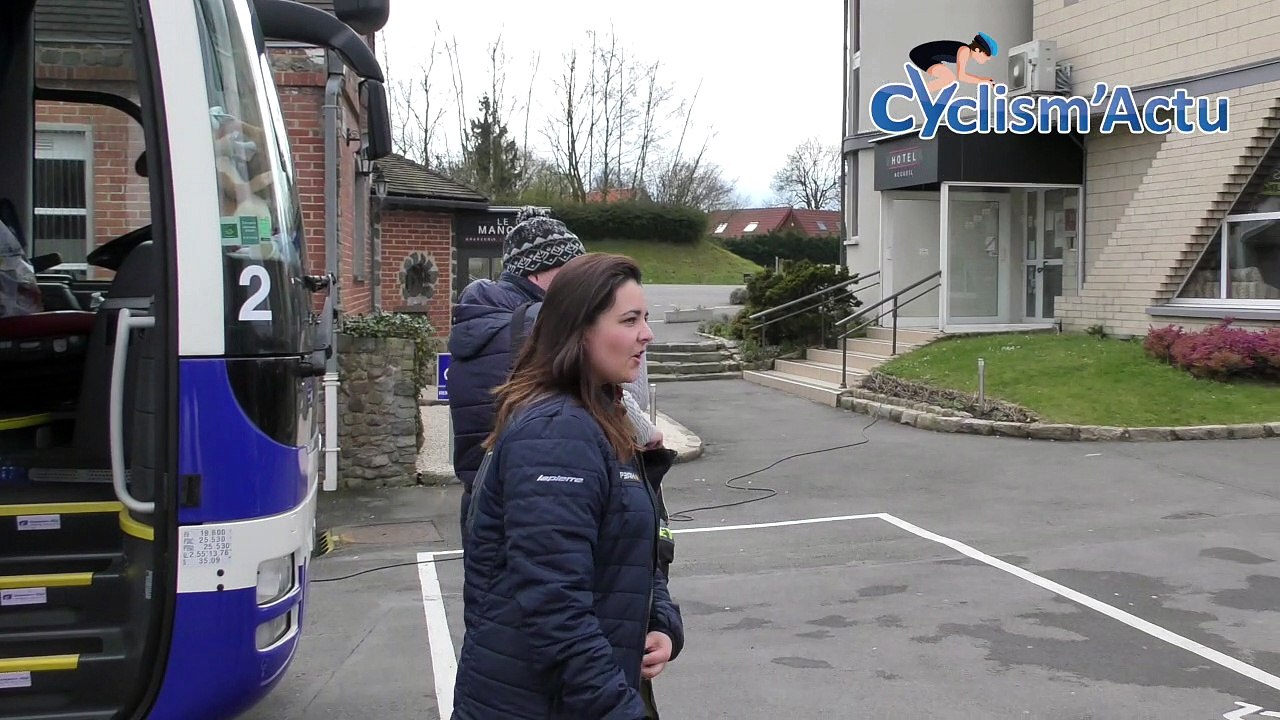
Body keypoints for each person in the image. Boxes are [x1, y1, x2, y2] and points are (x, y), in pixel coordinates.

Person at [452, 253, 684, 720]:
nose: (647, 334)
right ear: (580, 330)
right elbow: (554, 605)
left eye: (646, 318)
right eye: (630, 320)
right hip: (534, 702)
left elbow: (632, 548)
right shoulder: (556, 432)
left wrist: (660, 621)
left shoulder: (603, 417)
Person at [447, 206, 587, 525]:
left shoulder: (477, 319)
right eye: (571, 269)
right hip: (532, 500)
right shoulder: (536, 326)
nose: (580, 281)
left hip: (481, 497)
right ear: (536, 272)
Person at [908, 32, 998, 94]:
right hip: (921, 54)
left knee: (948, 77)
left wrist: (983, 80)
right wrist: (982, 81)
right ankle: (917, 92)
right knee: (949, 77)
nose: (988, 59)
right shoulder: (965, 50)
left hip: (927, 56)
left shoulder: (965, 51)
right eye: (987, 55)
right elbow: (962, 76)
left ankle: (919, 91)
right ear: (978, 50)